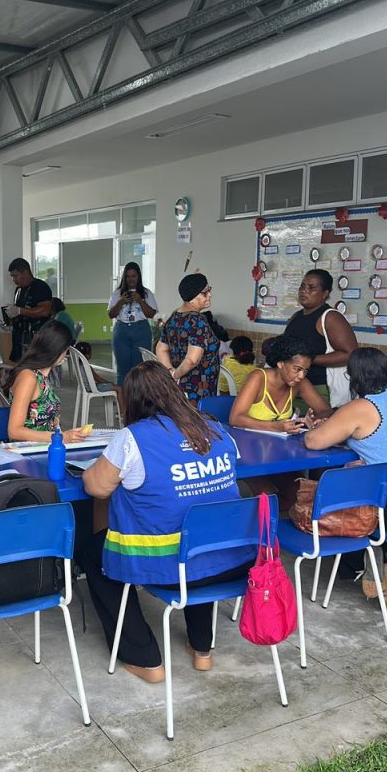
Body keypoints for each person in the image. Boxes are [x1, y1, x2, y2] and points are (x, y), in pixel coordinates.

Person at [78, 361, 255, 682]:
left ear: (132, 400)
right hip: (232, 559)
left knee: (92, 551)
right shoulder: (215, 428)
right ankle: (201, 648)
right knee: (198, 535)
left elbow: (97, 487)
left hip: (171, 568)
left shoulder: (133, 438)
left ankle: (144, 658)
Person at [304, 347, 387, 600]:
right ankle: (374, 555)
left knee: (336, 497)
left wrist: (315, 428)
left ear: (354, 376)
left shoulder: (363, 406)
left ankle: (362, 560)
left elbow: (313, 441)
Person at [285, 269, 357, 409]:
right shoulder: (296, 316)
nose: (304, 291)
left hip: (319, 389)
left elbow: (350, 354)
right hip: (291, 386)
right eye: (302, 286)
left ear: (325, 293)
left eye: (311, 288)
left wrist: (308, 359)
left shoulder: (331, 317)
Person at [6, 320, 87, 443]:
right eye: (65, 350)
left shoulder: (42, 377)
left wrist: (62, 432)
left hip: (46, 446)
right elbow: (14, 431)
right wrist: (62, 437)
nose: (65, 355)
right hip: (28, 450)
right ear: (57, 350)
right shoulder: (28, 377)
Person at [229, 336, 332, 432]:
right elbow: (235, 419)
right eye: (297, 369)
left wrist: (314, 420)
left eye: (305, 370)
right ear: (280, 364)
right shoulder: (258, 377)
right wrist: (275, 426)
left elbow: (325, 410)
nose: (301, 376)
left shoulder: (300, 382)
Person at [156, 273, 219, 404]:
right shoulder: (198, 320)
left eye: (209, 290)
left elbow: (161, 349)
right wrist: (175, 375)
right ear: (192, 297)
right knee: (195, 417)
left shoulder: (175, 317)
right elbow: (192, 360)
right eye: (205, 292)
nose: (210, 295)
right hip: (198, 391)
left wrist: (170, 372)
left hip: (178, 390)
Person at [108, 263, 157, 391]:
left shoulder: (146, 293)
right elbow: (111, 314)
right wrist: (121, 302)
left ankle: (139, 398)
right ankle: (123, 397)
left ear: (138, 276)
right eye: (128, 276)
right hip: (122, 331)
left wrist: (140, 300)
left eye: (133, 276)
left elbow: (151, 314)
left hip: (141, 331)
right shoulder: (117, 293)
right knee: (122, 369)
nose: (131, 279)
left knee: (140, 369)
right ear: (124, 278)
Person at [6, 258, 52, 362]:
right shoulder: (18, 290)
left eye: (15, 276)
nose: (14, 280)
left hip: (36, 337)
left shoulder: (40, 287)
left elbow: (45, 311)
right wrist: (11, 317)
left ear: (25, 273)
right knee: (20, 366)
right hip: (19, 337)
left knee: (34, 366)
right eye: (12, 276)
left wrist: (20, 311)